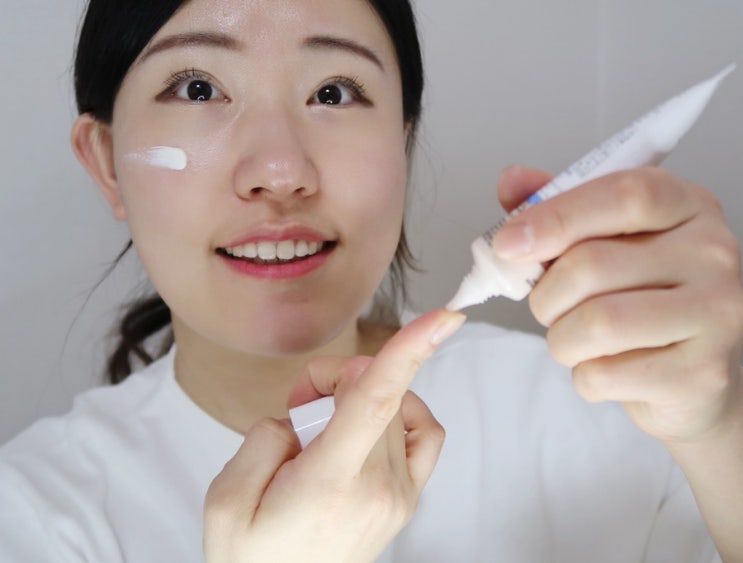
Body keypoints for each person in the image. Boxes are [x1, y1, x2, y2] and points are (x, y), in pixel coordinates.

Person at [1, 0, 741, 561]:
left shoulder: (592, 409)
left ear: (402, 142)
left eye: (333, 92)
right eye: (197, 88)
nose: (280, 171)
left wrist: (720, 431)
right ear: (106, 162)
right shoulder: (35, 513)